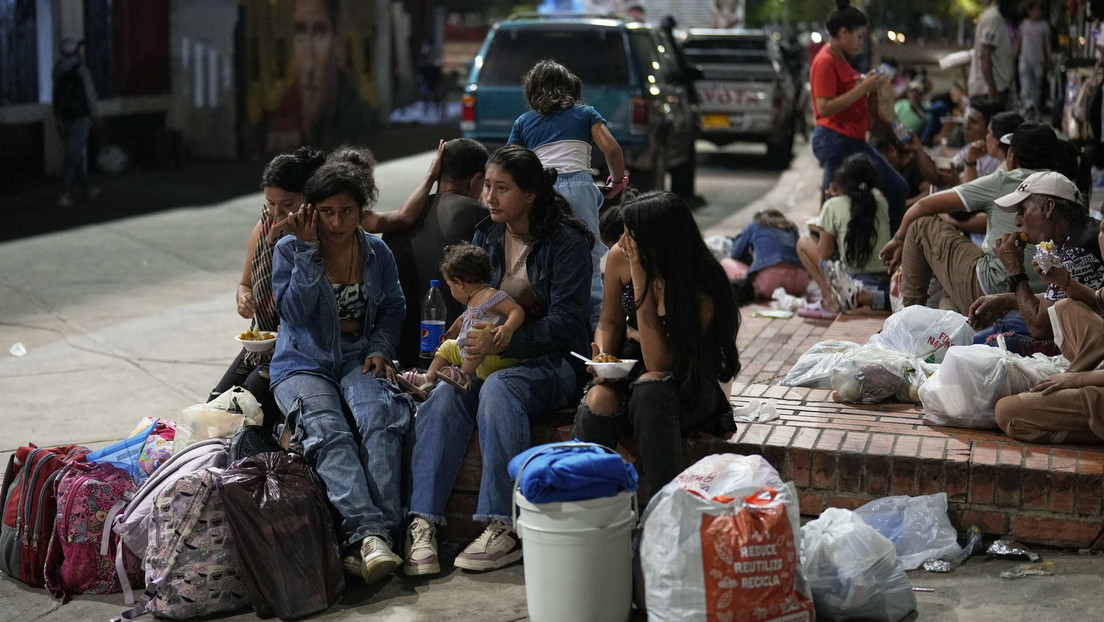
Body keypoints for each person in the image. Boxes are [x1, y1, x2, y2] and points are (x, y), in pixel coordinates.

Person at [404, 146, 593, 576]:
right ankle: (423, 522)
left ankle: (502, 525)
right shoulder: (487, 234)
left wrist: (503, 345)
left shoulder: (566, 244)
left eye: (502, 188)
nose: (489, 196)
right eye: (487, 185)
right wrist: (465, 342)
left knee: (500, 388)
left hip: (552, 363)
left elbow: (567, 324)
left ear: (530, 194)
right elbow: (476, 303)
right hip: (491, 359)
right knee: (446, 394)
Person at [269, 161, 413, 585]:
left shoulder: (377, 252)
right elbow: (293, 314)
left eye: (347, 211)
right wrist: (310, 252)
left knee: (380, 419)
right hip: (301, 361)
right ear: (312, 211)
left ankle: (378, 538)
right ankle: (368, 534)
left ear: (361, 210)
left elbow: (393, 307)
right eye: (327, 212)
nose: (337, 221)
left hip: (358, 355)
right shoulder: (290, 249)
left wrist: (381, 347)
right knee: (328, 430)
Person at [572, 190, 740, 501]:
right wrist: (605, 358)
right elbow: (609, 321)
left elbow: (661, 364)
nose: (622, 243)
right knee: (598, 399)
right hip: (633, 372)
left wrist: (641, 288)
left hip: (687, 381)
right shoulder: (622, 258)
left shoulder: (702, 284)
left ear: (659, 241)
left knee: (651, 388)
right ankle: (587, 505)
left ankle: (663, 508)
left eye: (630, 235)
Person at [879, 122, 1062, 314]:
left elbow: (924, 205)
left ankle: (907, 318)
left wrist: (898, 239)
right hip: (1048, 292)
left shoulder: (1005, 179)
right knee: (951, 286)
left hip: (999, 287)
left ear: (1012, 158)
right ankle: (942, 331)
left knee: (920, 225)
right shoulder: (1064, 184)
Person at [210, 147, 326, 429]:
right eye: (271, 204)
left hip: (300, 348)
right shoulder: (264, 227)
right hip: (261, 343)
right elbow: (245, 283)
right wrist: (243, 298)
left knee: (250, 399)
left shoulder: (322, 237)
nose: (277, 213)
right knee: (215, 406)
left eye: (287, 204)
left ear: (309, 198)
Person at [508, 59, 627, 327]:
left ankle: (552, 320)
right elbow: (611, 148)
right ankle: (597, 330)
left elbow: (511, 161)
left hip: (542, 191)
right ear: (571, 89)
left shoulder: (524, 121)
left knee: (545, 255)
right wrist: (617, 182)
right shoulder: (586, 113)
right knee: (589, 257)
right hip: (580, 188)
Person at [382, 138, 490, 368]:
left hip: (398, 352)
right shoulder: (484, 218)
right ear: (477, 180)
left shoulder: (400, 219)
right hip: (454, 356)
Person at [968, 172, 1104, 353]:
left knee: (990, 343)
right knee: (1004, 322)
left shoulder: (1077, 250)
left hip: (1092, 346)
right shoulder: (1077, 236)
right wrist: (1006, 301)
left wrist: (1014, 269)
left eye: (1022, 211)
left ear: (1048, 208)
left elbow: (1040, 327)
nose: (1017, 222)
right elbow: (1059, 298)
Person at [809, 0, 909, 233]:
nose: (861, 42)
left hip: (851, 139)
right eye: (859, 36)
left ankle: (883, 247)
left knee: (889, 191)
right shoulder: (825, 61)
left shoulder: (840, 58)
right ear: (843, 33)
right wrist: (863, 87)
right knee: (833, 204)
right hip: (836, 139)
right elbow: (823, 108)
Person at [399, 243, 524, 396]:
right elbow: (461, 320)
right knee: (447, 347)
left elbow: (516, 310)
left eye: (450, 286)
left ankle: (463, 375)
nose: (451, 290)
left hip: (492, 356)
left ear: (459, 283)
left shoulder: (491, 295)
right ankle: (428, 379)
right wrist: (448, 336)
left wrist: (508, 328)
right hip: (475, 357)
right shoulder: (472, 301)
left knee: (476, 337)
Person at [265, 0, 376, 152]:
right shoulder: (279, 114)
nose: (310, 62)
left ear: (336, 41)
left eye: (320, 32)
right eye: (300, 32)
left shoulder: (357, 117)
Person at [797, 154, 893, 316]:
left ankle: (831, 300)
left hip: (851, 281)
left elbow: (825, 253)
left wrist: (824, 226)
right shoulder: (882, 202)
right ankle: (870, 298)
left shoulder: (832, 205)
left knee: (804, 243)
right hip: (884, 282)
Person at [722, 209, 809, 304]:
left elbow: (736, 254)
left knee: (726, 262)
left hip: (770, 284)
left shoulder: (754, 226)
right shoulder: (791, 227)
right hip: (800, 282)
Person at [52, 38, 99, 208]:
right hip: (80, 118)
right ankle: (63, 193)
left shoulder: (57, 70)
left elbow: (55, 96)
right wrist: (95, 114)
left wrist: (56, 117)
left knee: (75, 155)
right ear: (75, 52)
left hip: (64, 118)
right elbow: (90, 95)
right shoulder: (81, 70)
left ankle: (87, 188)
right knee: (72, 157)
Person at [968, 0, 1018, 105]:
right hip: (987, 90)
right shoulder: (994, 19)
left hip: (994, 88)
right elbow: (985, 55)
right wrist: (991, 87)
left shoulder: (999, 19)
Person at [952, 99, 1005, 180]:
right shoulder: (970, 147)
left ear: (989, 127)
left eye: (973, 122)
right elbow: (951, 167)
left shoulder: (997, 159)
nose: (966, 127)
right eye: (967, 120)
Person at [1016, 2, 1052, 110]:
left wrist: (1049, 58)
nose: (1037, 13)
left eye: (1039, 10)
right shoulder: (1023, 25)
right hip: (1025, 59)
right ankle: (1026, 107)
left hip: (1038, 60)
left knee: (1037, 85)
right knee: (1025, 85)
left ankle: (1034, 108)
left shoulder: (1044, 25)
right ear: (1029, 11)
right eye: (1034, 10)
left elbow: (1047, 44)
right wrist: (1014, 55)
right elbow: (1019, 41)